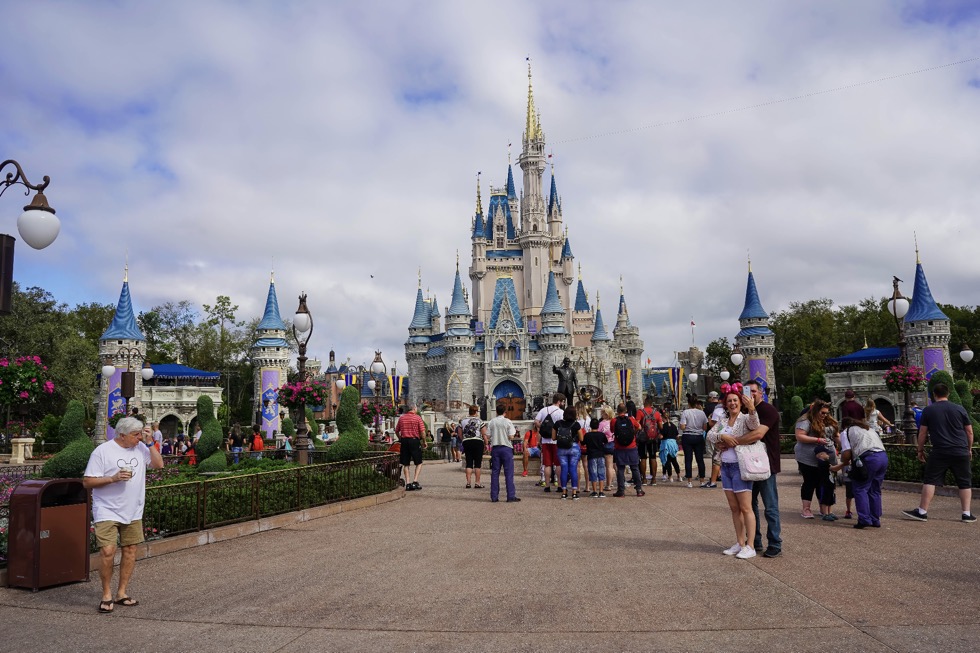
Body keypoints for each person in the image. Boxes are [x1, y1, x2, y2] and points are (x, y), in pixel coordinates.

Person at [83, 416, 164, 613]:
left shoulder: (141, 448)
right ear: (121, 435)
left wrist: (150, 443)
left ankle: (121, 593)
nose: (139, 438)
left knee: (130, 550)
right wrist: (113, 478)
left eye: (140, 434)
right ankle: (106, 594)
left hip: (133, 509)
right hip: (107, 509)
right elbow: (87, 482)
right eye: (135, 435)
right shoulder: (102, 451)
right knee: (107, 551)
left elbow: (159, 465)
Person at [902, 383, 975, 523]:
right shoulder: (960, 408)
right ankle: (966, 513)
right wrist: (969, 449)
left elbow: (922, 432)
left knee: (930, 480)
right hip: (960, 450)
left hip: (940, 450)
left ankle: (922, 511)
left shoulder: (929, 410)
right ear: (948, 394)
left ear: (934, 395)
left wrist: (920, 450)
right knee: (965, 482)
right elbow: (969, 431)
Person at [707, 389, 760, 559]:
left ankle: (750, 546)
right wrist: (723, 437)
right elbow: (710, 435)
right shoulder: (723, 421)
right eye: (729, 401)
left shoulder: (745, 418)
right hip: (726, 467)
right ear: (725, 404)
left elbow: (755, 426)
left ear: (740, 402)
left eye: (735, 400)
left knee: (745, 507)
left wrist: (752, 408)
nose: (732, 403)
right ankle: (740, 543)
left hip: (740, 466)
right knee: (734, 508)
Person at [742, 380, 783, 558]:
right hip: (747, 464)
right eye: (747, 391)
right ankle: (754, 541)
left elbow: (758, 434)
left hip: (766, 464)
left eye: (753, 391)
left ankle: (774, 543)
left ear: (761, 393)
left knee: (770, 506)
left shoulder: (768, 410)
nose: (750, 395)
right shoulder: (743, 411)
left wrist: (733, 441)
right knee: (749, 506)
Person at [833, 416, 888, 528]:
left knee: (860, 488)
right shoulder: (868, 428)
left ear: (844, 426)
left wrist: (843, 461)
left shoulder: (846, 432)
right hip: (883, 457)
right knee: (875, 489)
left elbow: (846, 453)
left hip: (868, 458)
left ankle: (864, 519)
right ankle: (875, 519)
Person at [795, 400, 836, 519]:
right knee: (810, 482)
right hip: (807, 457)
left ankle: (823, 508)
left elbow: (835, 434)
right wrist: (817, 440)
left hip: (822, 457)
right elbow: (800, 436)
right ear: (816, 411)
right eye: (822, 413)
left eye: (827, 413)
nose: (825, 415)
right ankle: (806, 509)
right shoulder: (805, 421)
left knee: (822, 482)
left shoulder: (825, 421)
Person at [485, 403, 520, 502]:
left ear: (496, 412)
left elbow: (488, 436)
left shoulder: (492, 422)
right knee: (508, 473)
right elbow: (511, 436)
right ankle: (510, 496)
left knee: (495, 473)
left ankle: (494, 496)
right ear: (505, 412)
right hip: (506, 448)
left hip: (496, 448)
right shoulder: (507, 421)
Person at [534, 393, 565, 493]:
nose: (563, 404)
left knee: (547, 464)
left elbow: (536, 421)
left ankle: (547, 486)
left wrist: (542, 427)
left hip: (545, 440)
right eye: (563, 402)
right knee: (558, 464)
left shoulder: (544, 410)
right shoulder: (561, 412)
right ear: (559, 402)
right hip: (556, 440)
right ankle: (559, 485)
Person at [612, 403, 644, 498]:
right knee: (634, 468)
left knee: (620, 469)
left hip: (619, 447)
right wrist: (633, 433)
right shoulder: (631, 419)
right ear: (626, 410)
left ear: (617, 411)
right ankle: (639, 489)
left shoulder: (614, 421)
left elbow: (612, 430)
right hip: (631, 446)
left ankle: (621, 491)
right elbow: (639, 427)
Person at [394, 402, 428, 490]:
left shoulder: (402, 418)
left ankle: (408, 483)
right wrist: (424, 441)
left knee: (406, 463)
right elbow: (422, 432)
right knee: (419, 462)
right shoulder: (417, 418)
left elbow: (396, 430)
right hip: (414, 441)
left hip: (404, 441)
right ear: (414, 409)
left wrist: (400, 438)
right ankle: (415, 481)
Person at [679, 394, 708, 488]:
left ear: (688, 403)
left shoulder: (686, 412)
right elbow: (705, 427)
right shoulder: (701, 413)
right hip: (698, 436)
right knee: (700, 459)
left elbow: (682, 426)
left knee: (688, 459)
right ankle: (702, 480)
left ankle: (689, 481)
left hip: (687, 435)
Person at [554, 406, 583, 500]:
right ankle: (574, 492)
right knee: (573, 469)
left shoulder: (558, 423)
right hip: (573, 447)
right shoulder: (576, 424)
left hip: (562, 448)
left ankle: (564, 492)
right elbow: (581, 438)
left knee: (564, 469)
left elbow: (553, 437)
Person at [459, 404, 487, 489]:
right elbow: (484, 434)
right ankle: (477, 482)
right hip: (477, 441)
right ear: (476, 412)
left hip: (467, 441)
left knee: (469, 462)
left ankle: (468, 483)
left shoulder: (463, 421)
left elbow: (460, 433)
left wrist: (463, 440)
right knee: (477, 463)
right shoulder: (480, 421)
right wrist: (486, 443)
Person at [702, 390, 726, 489]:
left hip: (719, 437)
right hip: (731, 436)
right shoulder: (734, 409)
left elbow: (714, 425)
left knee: (716, 459)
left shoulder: (718, 410)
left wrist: (709, 420)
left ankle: (713, 481)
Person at [636, 397, 661, 485]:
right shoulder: (656, 413)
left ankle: (644, 479)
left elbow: (637, 424)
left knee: (643, 457)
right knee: (653, 457)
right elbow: (661, 426)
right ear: (651, 404)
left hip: (643, 437)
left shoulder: (640, 412)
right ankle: (654, 479)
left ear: (645, 402)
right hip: (653, 438)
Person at [583, 418, 607, 497]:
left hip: (591, 455)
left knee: (593, 473)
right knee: (601, 472)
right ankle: (601, 491)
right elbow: (606, 442)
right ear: (598, 426)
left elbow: (583, 443)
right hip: (601, 454)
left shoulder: (587, 435)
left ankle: (594, 491)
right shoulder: (601, 434)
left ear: (590, 425)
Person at [598, 405, 616, 491]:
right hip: (613, 443)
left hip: (605, 444)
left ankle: (608, 484)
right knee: (611, 465)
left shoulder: (602, 423)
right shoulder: (613, 422)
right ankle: (611, 482)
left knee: (607, 466)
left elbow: (598, 434)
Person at [659, 415, 681, 482]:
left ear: (663, 418)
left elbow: (661, 436)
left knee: (667, 460)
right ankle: (679, 476)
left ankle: (670, 476)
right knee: (674, 460)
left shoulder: (663, 426)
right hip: (673, 444)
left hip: (666, 444)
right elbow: (677, 436)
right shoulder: (674, 426)